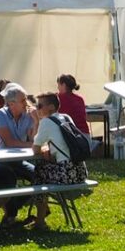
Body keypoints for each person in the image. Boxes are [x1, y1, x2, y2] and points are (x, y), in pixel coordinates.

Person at [29, 92, 88, 227]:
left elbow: (35, 149)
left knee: (37, 173)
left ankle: (40, 220)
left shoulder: (46, 122)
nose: (36, 109)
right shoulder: (66, 117)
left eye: (39, 106)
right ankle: (43, 215)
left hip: (66, 173)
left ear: (50, 107)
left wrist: (36, 122)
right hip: (80, 171)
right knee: (42, 170)